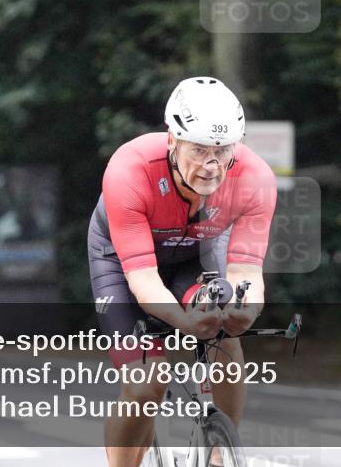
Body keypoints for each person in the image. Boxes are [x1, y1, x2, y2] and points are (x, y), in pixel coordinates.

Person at [87, 76, 277, 466]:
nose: (211, 166)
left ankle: (222, 454)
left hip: (194, 257)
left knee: (225, 332)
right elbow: (143, 279)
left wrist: (247, 309)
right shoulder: (130, 169)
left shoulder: (254, 177)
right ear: (172, 140)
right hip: (121, 261)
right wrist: (182, 320)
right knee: (146, 385)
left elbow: (246, 270)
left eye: (222, 151)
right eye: (199, 150)